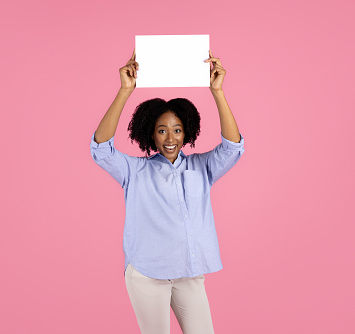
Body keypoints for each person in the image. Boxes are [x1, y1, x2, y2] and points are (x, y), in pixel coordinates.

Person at [90, 49, 244, 334]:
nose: (170, 138)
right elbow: (100, 149)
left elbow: (233, 148)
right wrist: (125, 90)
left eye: (177, 130)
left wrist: (218, 92)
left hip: (188, 273)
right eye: (162, 131)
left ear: (187, 132)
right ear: (151, 133)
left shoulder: (202, 167)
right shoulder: (134, 171)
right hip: (147, 274)